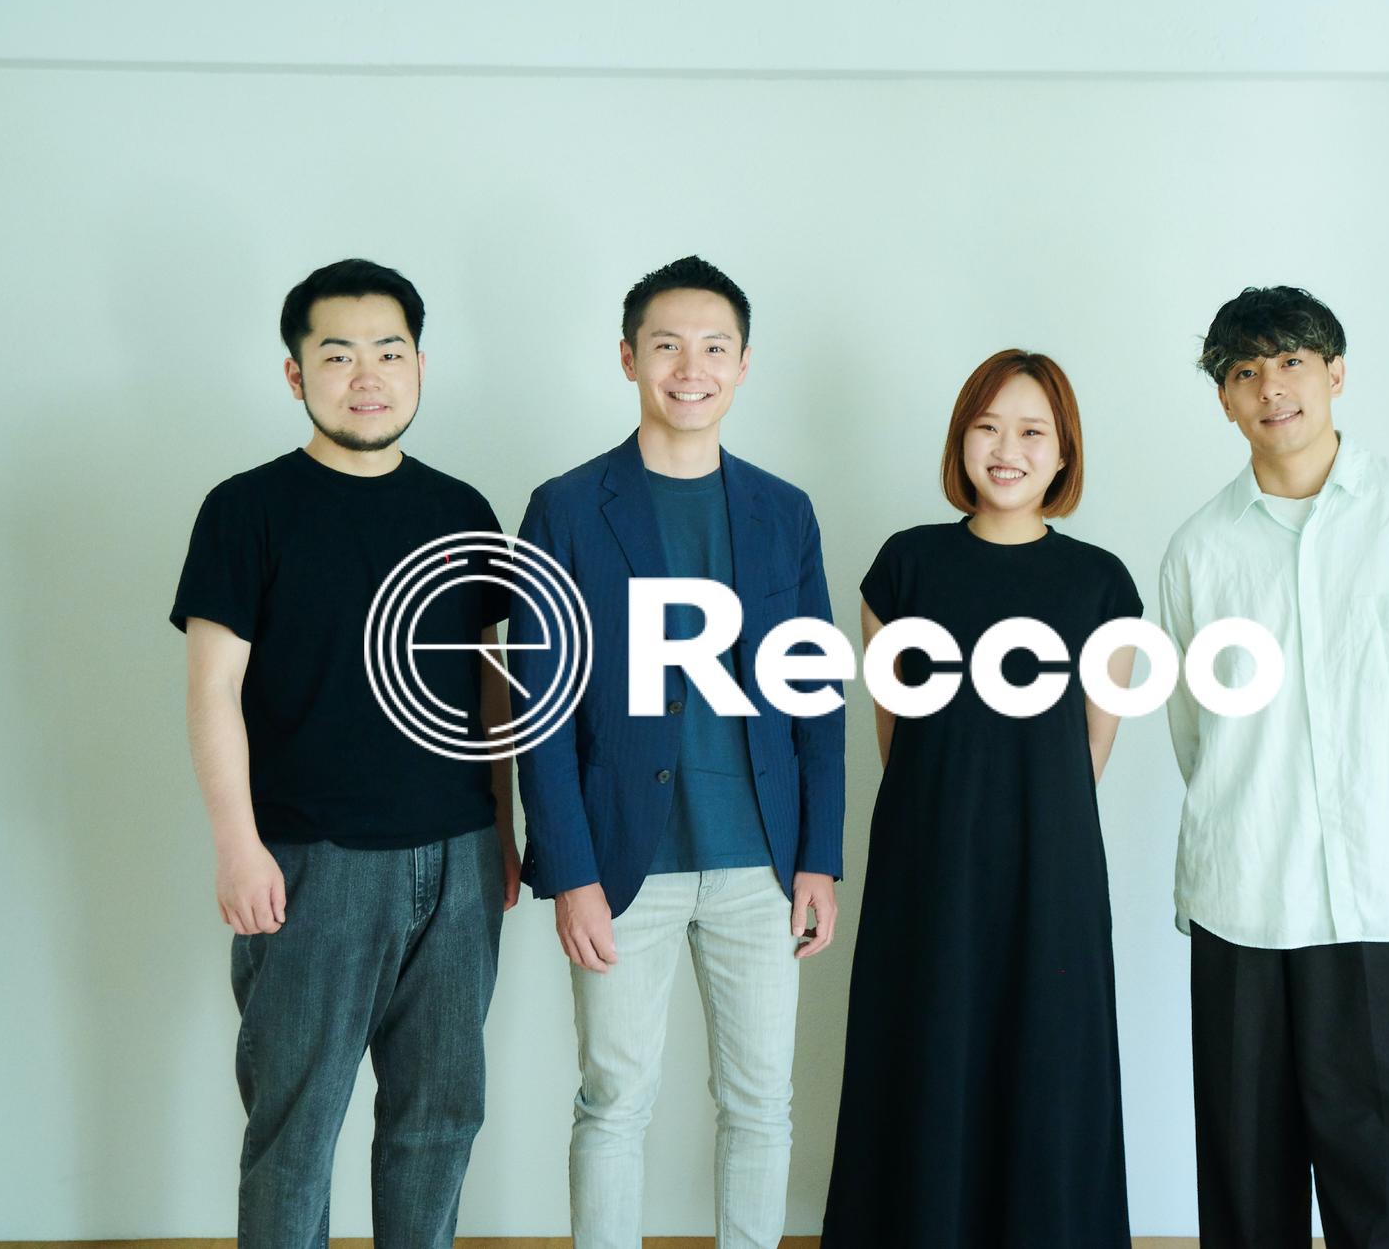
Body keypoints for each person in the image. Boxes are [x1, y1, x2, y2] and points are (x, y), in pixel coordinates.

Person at [171, 258, 518, 1248]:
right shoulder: (247, 508)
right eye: (338, 355)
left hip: (458, 858)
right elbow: (211, 688)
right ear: (296, 374)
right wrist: (238, 847)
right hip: (310, 862)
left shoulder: (461, 509)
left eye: (389, 352)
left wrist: (502, 830)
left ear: (419, 366)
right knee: (296, 1130)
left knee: (439, 1119)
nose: (367, 376)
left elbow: (487, 680)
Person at [510, 254, 844, 1249]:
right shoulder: (567, 508)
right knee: (615, 1097)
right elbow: (538, 707)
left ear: (743, 364)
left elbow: (816, 698)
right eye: (666, 346)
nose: (689, 368)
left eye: (713, 347)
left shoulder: (784, 510)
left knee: (761, 1100)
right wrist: (568, 871)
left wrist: (819, 855)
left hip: (761, 860)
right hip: (623, 860)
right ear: (628, 358)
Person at [1158, 285, 1389, 1247]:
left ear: (1336, 372)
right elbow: (1194, 733)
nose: (1272, 387)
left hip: (1383, 903)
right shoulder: (1199, 551)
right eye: (1245, 371)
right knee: (1247, 1184)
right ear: (1225, 399)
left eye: (1293, 360)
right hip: (1244, 901)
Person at [819, 348, 1137, 1249]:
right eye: (988, 427)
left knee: (1048, 1062)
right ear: (960, 440)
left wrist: (1025, 820)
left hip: (1051, 868)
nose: (1007, 449)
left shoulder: (1101, 581)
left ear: (1064, 453)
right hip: (928, 862)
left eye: (1033, 431)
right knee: (925, 1054)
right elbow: (895, 732)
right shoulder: (905, 566)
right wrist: (952, 815)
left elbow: (1092, 741)